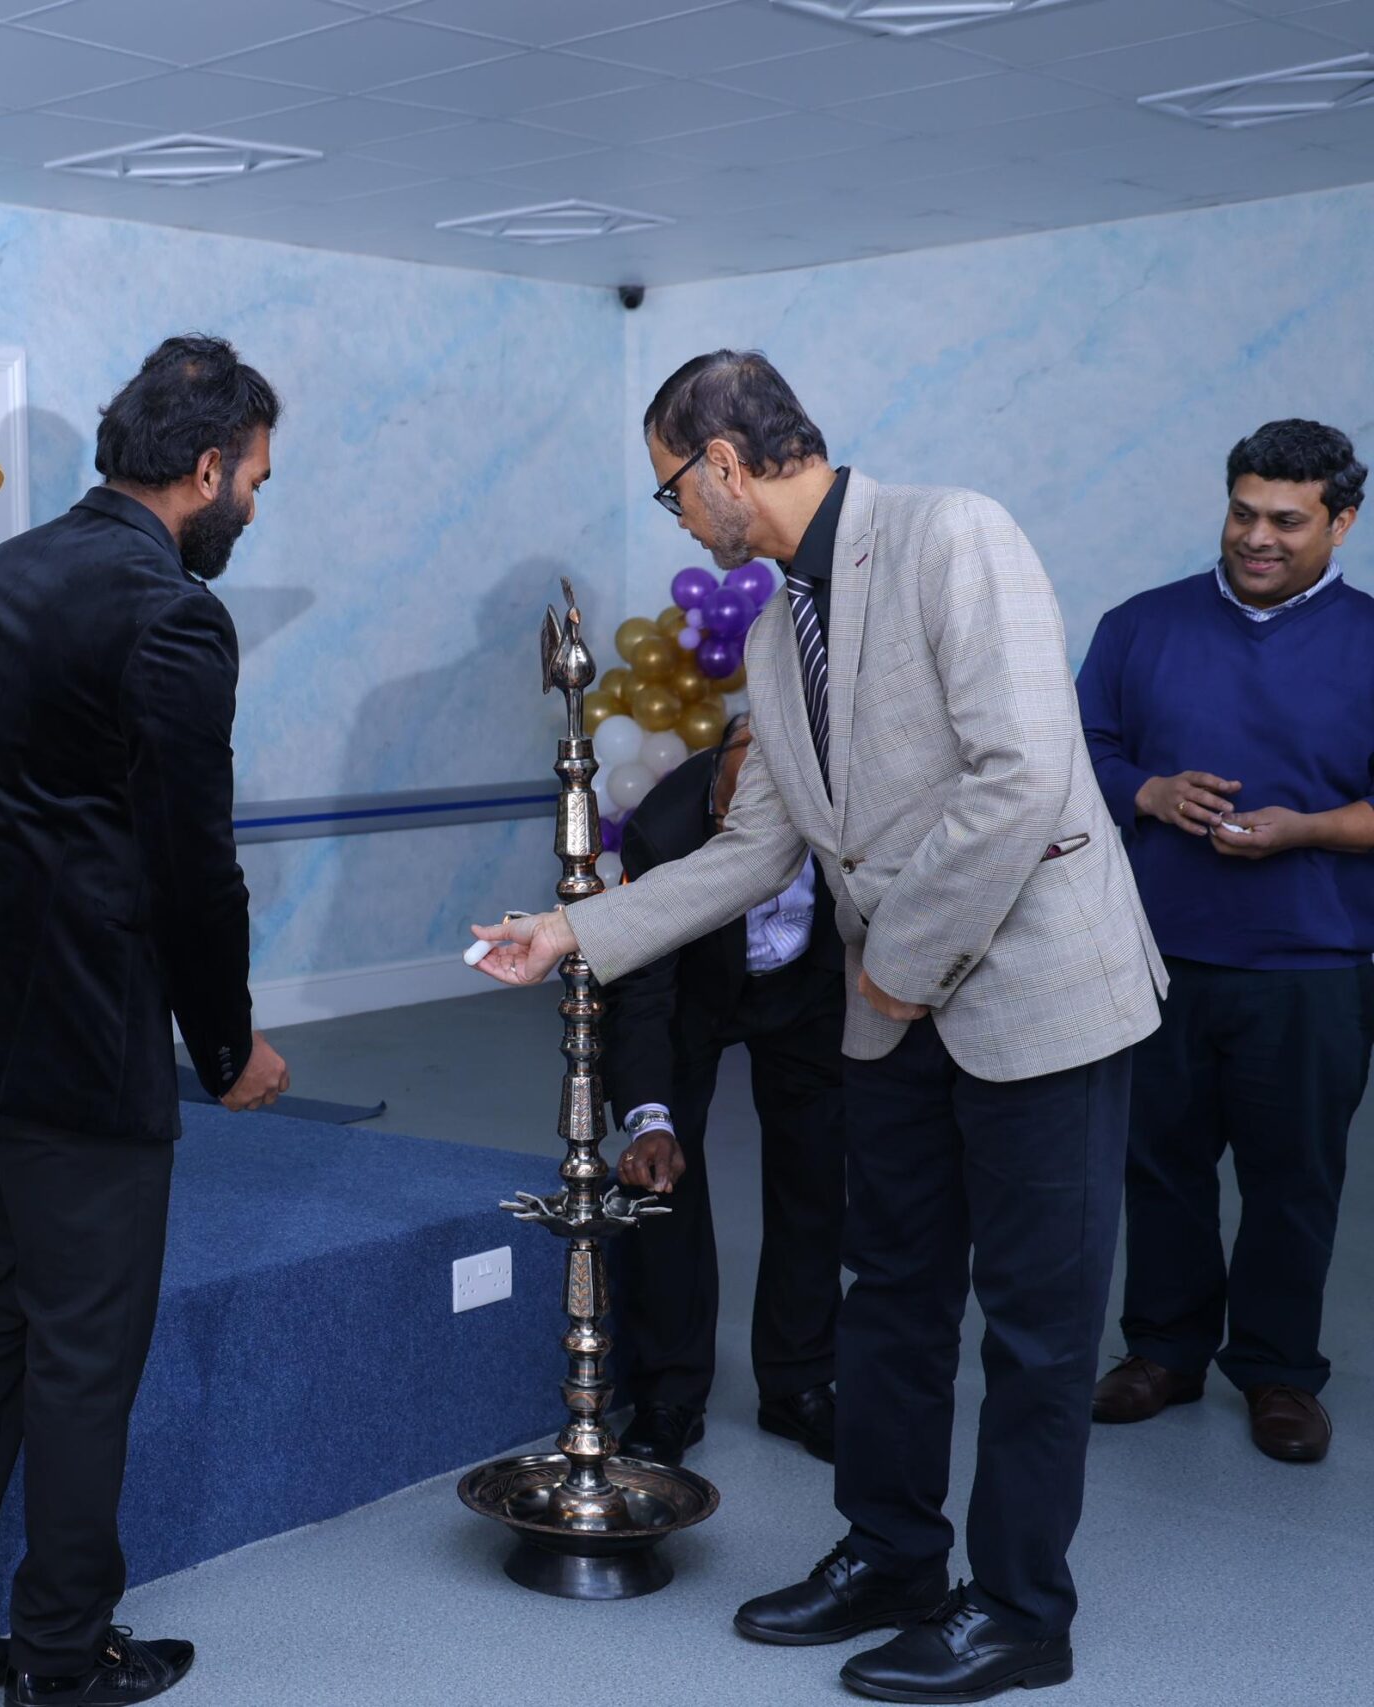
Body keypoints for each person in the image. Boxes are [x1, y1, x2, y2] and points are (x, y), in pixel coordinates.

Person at [471, 351, 1163, 1705]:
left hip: (1035, 999)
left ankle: (1019, 1610)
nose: (678, 516)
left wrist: (893, 971)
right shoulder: (779, 630)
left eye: (673, 489)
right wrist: (574, 931)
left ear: (725, 464)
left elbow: (1020, 779)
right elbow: (754, 848)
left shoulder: (953, 535)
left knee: (1035, 1328)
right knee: (888, 1295)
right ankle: (893, 1555)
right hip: (895, 1016)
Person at [0, 336, 291, 1707]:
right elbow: (192, 867)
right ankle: (58, 1652)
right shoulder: (172, 615)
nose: (254, 504)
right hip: (72, 1034)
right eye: (255, 480)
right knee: (86, 1354)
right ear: (206, 469)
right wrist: (229, 1045)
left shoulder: (2, 571)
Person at [1075, 419, 1374, 1465]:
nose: (1257, 536)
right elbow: (1078, 755)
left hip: (1312, 967)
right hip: (1156, 956)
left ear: (1341, 523)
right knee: (1159, 1167)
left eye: (1287, 521)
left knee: (1294, 1180)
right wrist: (1147, 792)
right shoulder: (1138, 627)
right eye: (1243, 512)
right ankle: (1163, 1351)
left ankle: (1279, 1371)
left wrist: (1310, 829)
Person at [600, 712, 846, 1470]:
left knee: (815, 1173)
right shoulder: (663, 829)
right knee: (664, 1175)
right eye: (727, 817)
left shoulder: (841, 799)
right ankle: (669, 1392)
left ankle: (799, 1382)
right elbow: (643, 986)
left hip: (808, 987)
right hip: (692, 994)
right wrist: (649, 1119)